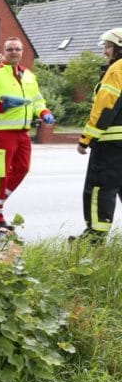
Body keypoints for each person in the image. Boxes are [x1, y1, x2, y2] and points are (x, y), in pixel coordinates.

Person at [0, 37, 54, 233]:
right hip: (1, 132)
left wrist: (43, 112)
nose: (14, 52)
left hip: (22, 132)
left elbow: (37, 100)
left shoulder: (29, 75)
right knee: (0, 175)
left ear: (22, 51)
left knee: (22, 169)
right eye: (10, 49)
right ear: (4, 51)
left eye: (17, 49)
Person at [70, 28, 122, 243]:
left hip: (111, 144)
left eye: (108, 46)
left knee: (99, 189)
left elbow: (105, 108)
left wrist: (86, 138)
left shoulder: (117, 70)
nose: (104, 51)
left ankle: (94, 238)